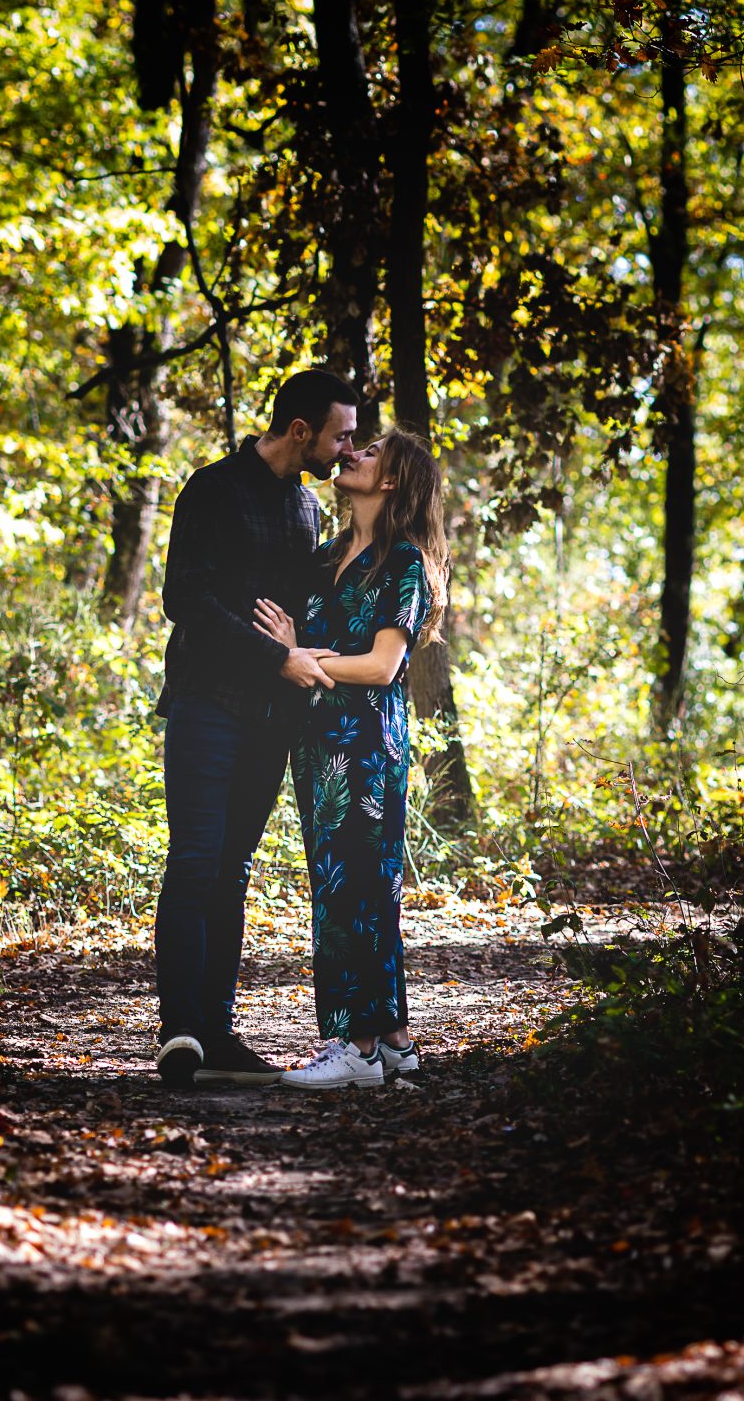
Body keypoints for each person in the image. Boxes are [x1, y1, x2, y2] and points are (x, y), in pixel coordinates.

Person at [151, 369, 360, 1087]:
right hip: (206, 702)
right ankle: (179, 1032)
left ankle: (217, 1030)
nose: (345, 449)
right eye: (340, 435)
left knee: (233, 870)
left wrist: (298, 651)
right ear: (300, 430)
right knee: (196, 861)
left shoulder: (305, 509)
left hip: (272, 719)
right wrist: (278, 655)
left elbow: (303, 609)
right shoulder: (211, 488)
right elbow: (186, 599)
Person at [253, 430, 447, 1090]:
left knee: (358, 892)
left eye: (369, 454)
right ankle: (395, 1040)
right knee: (347, 890)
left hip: (369, 748)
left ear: (391, 480)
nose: (351, 456)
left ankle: (354, 1049)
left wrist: (307, 660)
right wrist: (293, 647)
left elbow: (384, 665)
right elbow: (303, 643)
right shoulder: (325, 556)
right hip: (315, 746)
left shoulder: (404, 562)